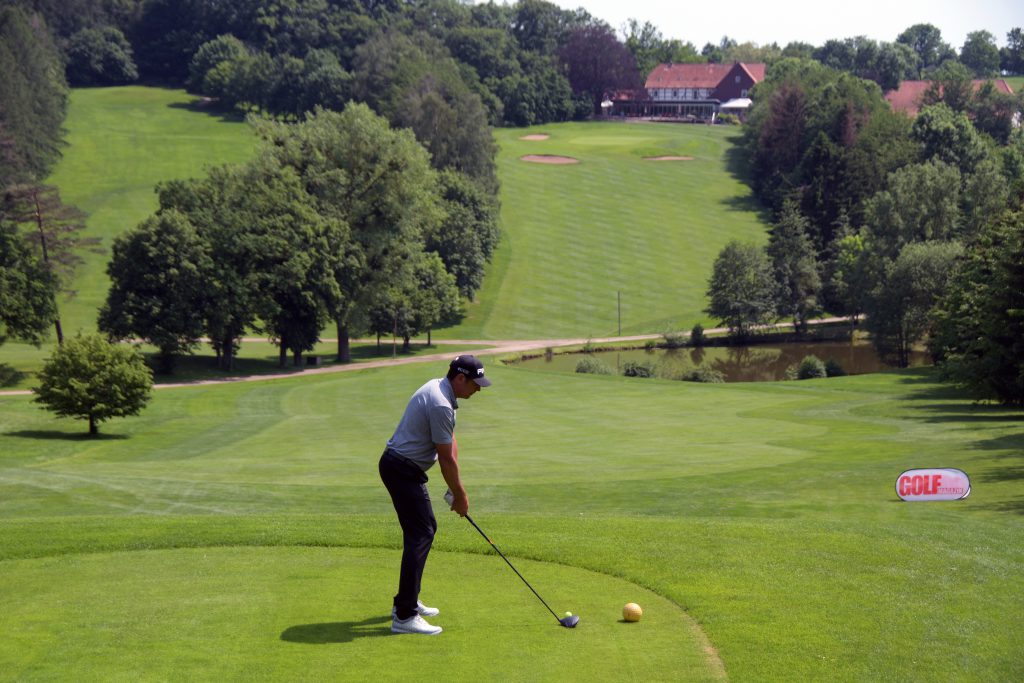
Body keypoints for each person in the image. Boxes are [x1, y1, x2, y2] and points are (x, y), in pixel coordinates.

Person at [379, 354, 491, 635]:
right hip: (402, 470)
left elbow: (449, 443)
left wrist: (456, 487)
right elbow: (445, 460)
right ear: (460, 378)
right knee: (422, 533)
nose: (478, 389)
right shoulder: (442, 403)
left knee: (422, 531)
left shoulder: (441, 390)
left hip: (402, 468)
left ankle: (406, 601)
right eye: (475, 384)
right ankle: (404, 616)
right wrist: (460, 496)